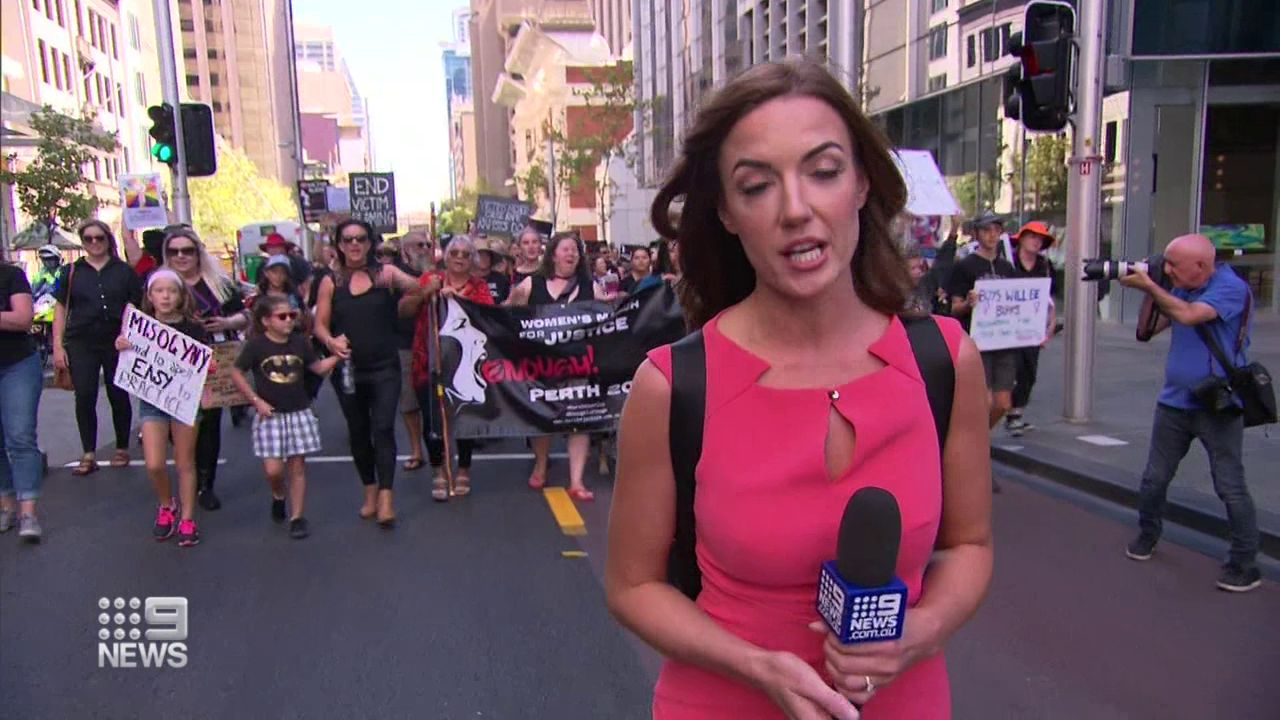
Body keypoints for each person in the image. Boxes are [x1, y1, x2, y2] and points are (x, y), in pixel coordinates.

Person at [605, 59, 993, 719]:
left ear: (862, 183)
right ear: (726, 212)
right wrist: (755, 666)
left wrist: (921, 633)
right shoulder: (672, 386)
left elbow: (970, 545)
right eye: (757, 186)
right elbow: (632, 586)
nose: (796, 209)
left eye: (824, 171)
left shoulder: (945, 360)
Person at [1119, 233, 1261, 593]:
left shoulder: (1230, 288)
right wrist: (1152, 288)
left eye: (1173, 265)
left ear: (1202, 266)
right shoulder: (1182, 286)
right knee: (1154, 478)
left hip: (1218, 406)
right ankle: (1147, 534)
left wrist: (1152, 286)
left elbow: (1189, 315)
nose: (1168, 270)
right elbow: (1146, 332)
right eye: (1165, 264)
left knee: (1229, 486)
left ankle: (1245, 564)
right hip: (1174, 403)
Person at [314, 217, 423, 527]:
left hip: (385, 366)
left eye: (360, 238)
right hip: (348, 371)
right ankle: (370, 491)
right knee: (359, 432)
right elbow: (319, 324)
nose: (354, 244)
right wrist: (331, 342)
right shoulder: (330, 282)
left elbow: (420, 286)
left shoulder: (385, 274)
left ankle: (387, 497)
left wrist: (419, 287)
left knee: (383, 428)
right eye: (348, 239)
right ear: (339, 245)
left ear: (370, 243)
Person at [507, 232, 611, 501]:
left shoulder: (590, 287)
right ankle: (541, 464)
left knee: (579, 419)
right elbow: (507, 315)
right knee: (541, 416)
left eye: (575, 250)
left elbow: (609, 318)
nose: (571, 253)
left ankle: (576, 480)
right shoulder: (531, 284)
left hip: (579, 365)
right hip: (540, 366)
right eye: (565, 249)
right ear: (553, 254)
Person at [230, 295, 340, 540]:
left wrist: (337, 356)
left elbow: (317, 367)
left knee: (297, 467)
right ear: (266, 321)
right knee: (273, 470)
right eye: (282, 316)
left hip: (298, 410)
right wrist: (255, 401)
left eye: (292, 315)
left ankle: (297, 517)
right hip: (270, 415)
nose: (289, 320)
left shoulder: (300, 342)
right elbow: (237, 372)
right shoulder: (257, 346)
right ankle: (278, 495)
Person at [114, 269, 210, 547]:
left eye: (172, 291)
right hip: (152, 401)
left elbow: (204, 364)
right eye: (159, 291)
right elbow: (130, 361)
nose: (166, 296)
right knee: (155, 463)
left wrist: (209, 369)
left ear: (181, 296)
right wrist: (122, 345)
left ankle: (188, 518)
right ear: (150, 296)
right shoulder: (140, 327)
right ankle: (167, 505)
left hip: (184, 402)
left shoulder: (194, 328)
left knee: (184, 462)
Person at [161, 227, 250, 511]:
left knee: (210, 423)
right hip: (172, 363)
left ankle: (205, 484)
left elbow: (245, 315)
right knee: (178, 425)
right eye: (174, 251)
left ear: (198, 253)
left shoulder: (218, 283)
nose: (181, 256)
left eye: (187, 250)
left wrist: (226, 323)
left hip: (213, 359)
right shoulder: (159, 283)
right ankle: (188, 474)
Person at [403, 235, 494, 501]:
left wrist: (461, 300)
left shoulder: (479, 287)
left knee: (464, 418)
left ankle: (463, 468)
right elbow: (404, 309)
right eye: (455, 253)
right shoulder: (429, 279)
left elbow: (490, 317)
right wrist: (426, 293)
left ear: (472, 260)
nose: (459, 258)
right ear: (446, 255)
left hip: (464, 365)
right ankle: (439, 470)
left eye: (466, 254)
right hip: (428, 361)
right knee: (432, 419)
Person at [53, 220, 142, 475]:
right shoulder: (71, 271)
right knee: (84, 394)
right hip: (81, 340)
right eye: (88, 239)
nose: (94, 243)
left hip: (116, 339)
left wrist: (129, 334)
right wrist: (58, 345)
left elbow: (136, 305)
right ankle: (89, 453)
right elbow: (61, 308)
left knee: (118, 393)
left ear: (107, 239)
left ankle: (122, 447)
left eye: (99, 238)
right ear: (82, 242)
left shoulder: (123, 271)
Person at [946, 212, 1017, 431]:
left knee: (1003, 403)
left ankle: (979, 437)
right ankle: (974, 440)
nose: (992, 235)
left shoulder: (1007, 268)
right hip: (977, 341)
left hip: (1004, 341)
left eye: (996, 230)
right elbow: (954, 307)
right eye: (987, 230)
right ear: (976, 234)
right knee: (983, 400)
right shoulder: (965, 266)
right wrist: (968, 304)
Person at [0, 259, 44, 542]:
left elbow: (23, 318)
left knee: (20, 436)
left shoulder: (11, 275)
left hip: (17, 365)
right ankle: (6, 506)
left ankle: (28, 513)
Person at [1005, 222, 1058, 437]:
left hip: (1033, 325)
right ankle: (1003, 411)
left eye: (1040, 239)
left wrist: (1051, 324)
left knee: (1029, 370)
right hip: (1009, 324)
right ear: (1022, 239)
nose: (1036, 242)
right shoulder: (1009, 262)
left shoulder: (1045, 265)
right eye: (1032, 237)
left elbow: (1049, 298)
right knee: (1011, 368)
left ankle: (1016, 414)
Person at [387, 233, 427, 472]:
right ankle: (416, 450)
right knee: (409, 402)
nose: (424, 249)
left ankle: (441, 449)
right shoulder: (396, 275)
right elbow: (400, 310)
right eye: (419, 245)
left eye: (427, 244)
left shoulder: (438, 272)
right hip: (406, 343)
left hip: (436, 343)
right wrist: (424, 289)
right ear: (405, 250)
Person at [474, 237, 512, 304]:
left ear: (491, 258)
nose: (483, 258)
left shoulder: (501, 280)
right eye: (480, 255)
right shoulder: (468, 278)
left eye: (486, 255)